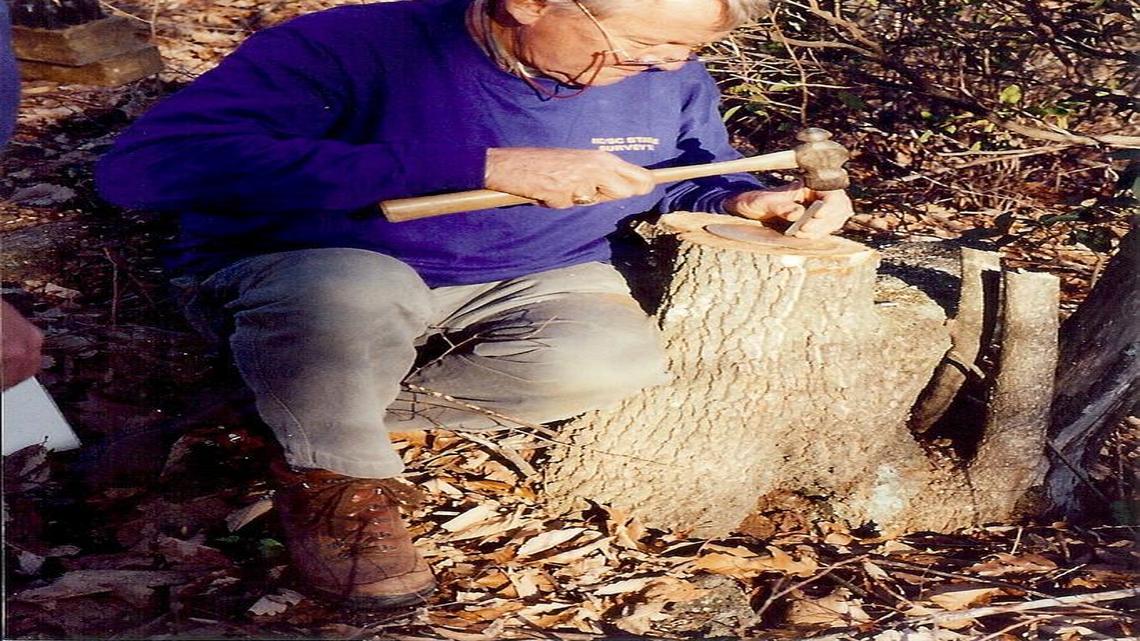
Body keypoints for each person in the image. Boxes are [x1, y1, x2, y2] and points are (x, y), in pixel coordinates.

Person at [95, 0, 853, 607]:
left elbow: (682, 174)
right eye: (639, 46)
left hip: (539, 271)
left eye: (684, 50)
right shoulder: (348, 46)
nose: (661, 66)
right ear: (527, 5)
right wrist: (478, 163)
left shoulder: (669, 78)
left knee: (611, 358)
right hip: (320, 264)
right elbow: (143, 170)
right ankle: (331, 477)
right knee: (354, 296)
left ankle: (284, 403)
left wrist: (746, 198)